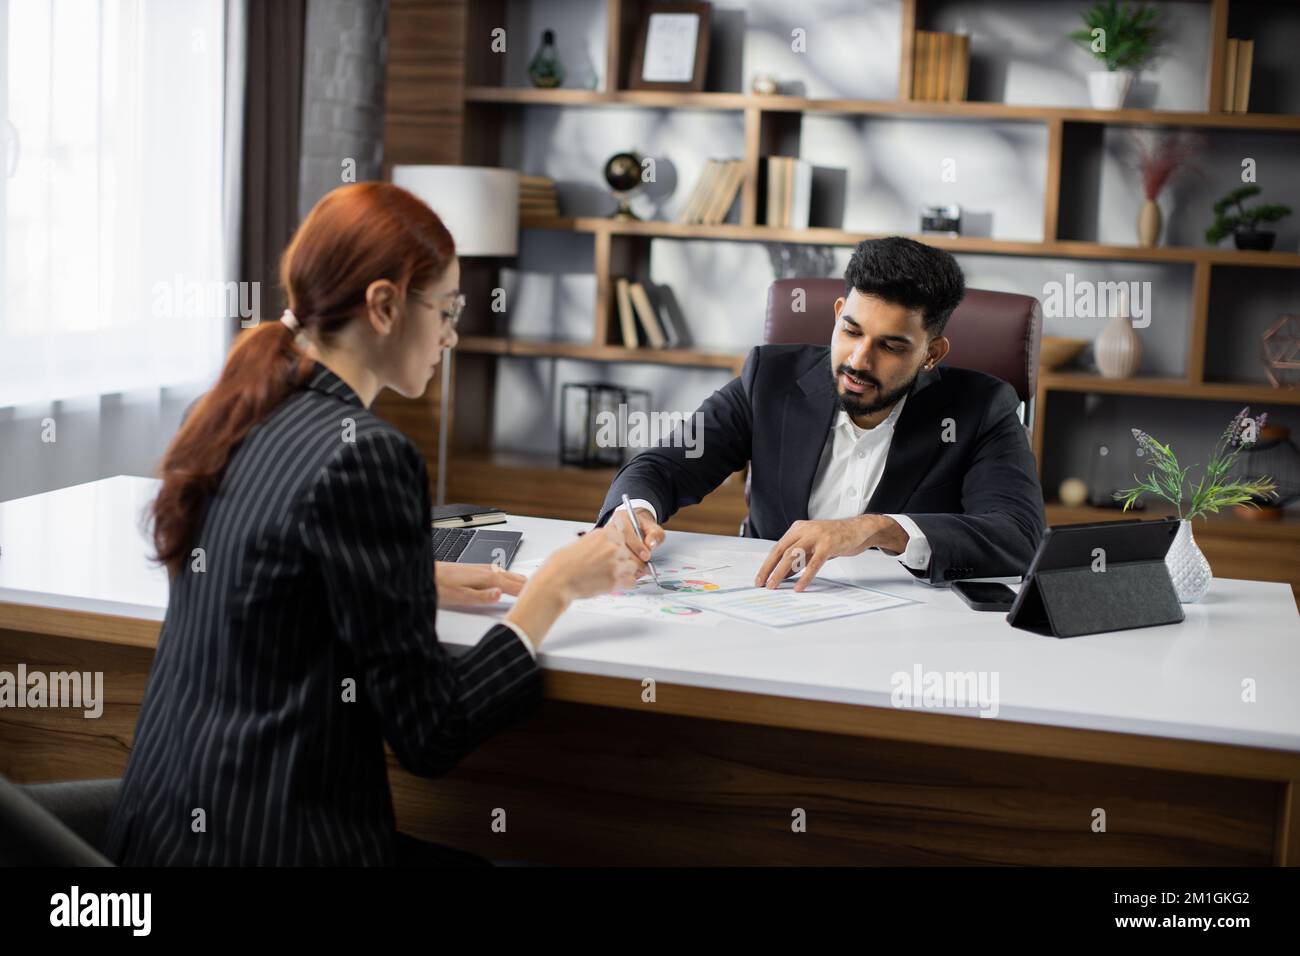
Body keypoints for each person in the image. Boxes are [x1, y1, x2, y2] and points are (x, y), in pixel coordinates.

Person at [104, 182, 644, 866]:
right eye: (445, 309)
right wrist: (554, 591)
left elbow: (270, 573)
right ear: (384, 305)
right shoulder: (369, 456)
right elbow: (433, 733)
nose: (451, 334)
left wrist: (405, 578)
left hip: (156, 835)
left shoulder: (235, 410)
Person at [598, 236, 1046, 588]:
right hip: (768, 604)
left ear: (932, 353)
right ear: (837, 315)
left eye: (891, 346)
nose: (858, 360)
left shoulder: (982, 407)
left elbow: (1018, 537)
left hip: (904, 634)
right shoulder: (770, 378)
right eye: (851, 331)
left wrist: (875, 530)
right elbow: (664, 467)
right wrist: (635, 511)